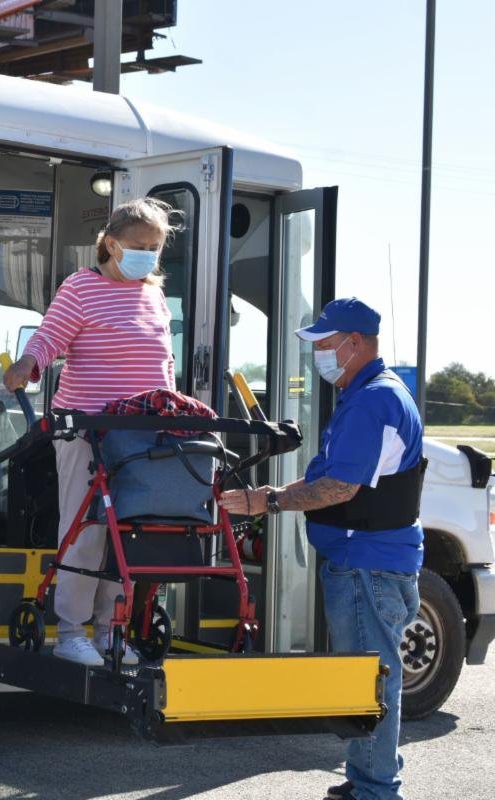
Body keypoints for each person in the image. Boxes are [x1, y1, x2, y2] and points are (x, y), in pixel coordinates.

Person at [220, 297, 423, 800]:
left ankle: (376, 790)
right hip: (376, 560)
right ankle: (367, 778)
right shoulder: (375, 393)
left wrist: (265, 500)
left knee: (370, 679)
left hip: (365, 563)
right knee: (370, 676)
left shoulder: (373, 400)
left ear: (355, 343)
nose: (320, 356)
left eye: (325, 345)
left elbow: (340, 487)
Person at [2, 197, 179, 668]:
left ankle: (108, 629)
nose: (147, 254)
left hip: (142, 432)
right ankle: (71, 632)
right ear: (111, 243)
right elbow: (49, 337)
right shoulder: (82, 287)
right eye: (139, 245)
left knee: (129, 531)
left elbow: (164, 365)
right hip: (88, 429)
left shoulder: (154, 296)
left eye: (155, 247)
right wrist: (27, 364)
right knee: (87, 530)